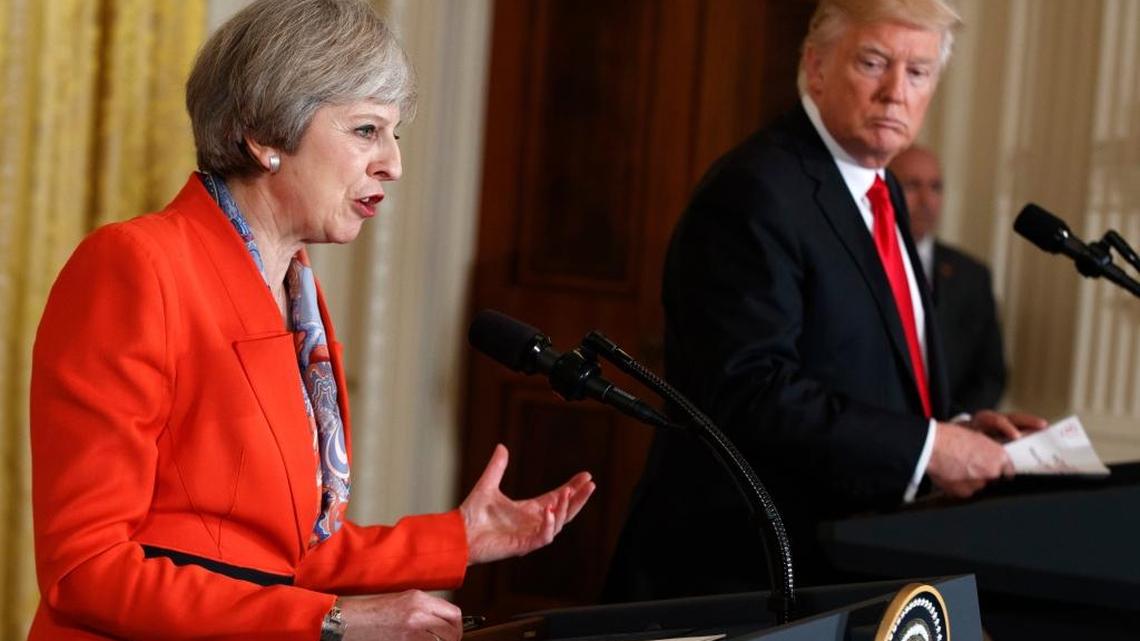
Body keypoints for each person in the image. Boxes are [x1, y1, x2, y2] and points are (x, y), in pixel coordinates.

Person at [28, 1, 595, 639]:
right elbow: (88, 569)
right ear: (264, 134)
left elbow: (280, 552)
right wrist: (333, 622)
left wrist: (459, 538)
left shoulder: (298, 292)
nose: (393, 163)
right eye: (365, 131)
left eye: (395, 133)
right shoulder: (136, 266)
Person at [604, 0, 1044, 601]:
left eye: (917, 73)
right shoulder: (756, 191)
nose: (895, 92)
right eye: (873, 62)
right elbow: (750, 391)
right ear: (814, 67)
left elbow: (859, 372)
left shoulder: (879, 188)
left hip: (850, 569)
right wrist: (930, 448)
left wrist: (954, 431)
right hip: (744, 577)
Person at [889, 145, 1006, 412]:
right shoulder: (860, 262)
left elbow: (990, 375)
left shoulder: (973, 275)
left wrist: (958, 425)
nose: (926, 200)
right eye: (912, 186)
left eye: (936, 187)